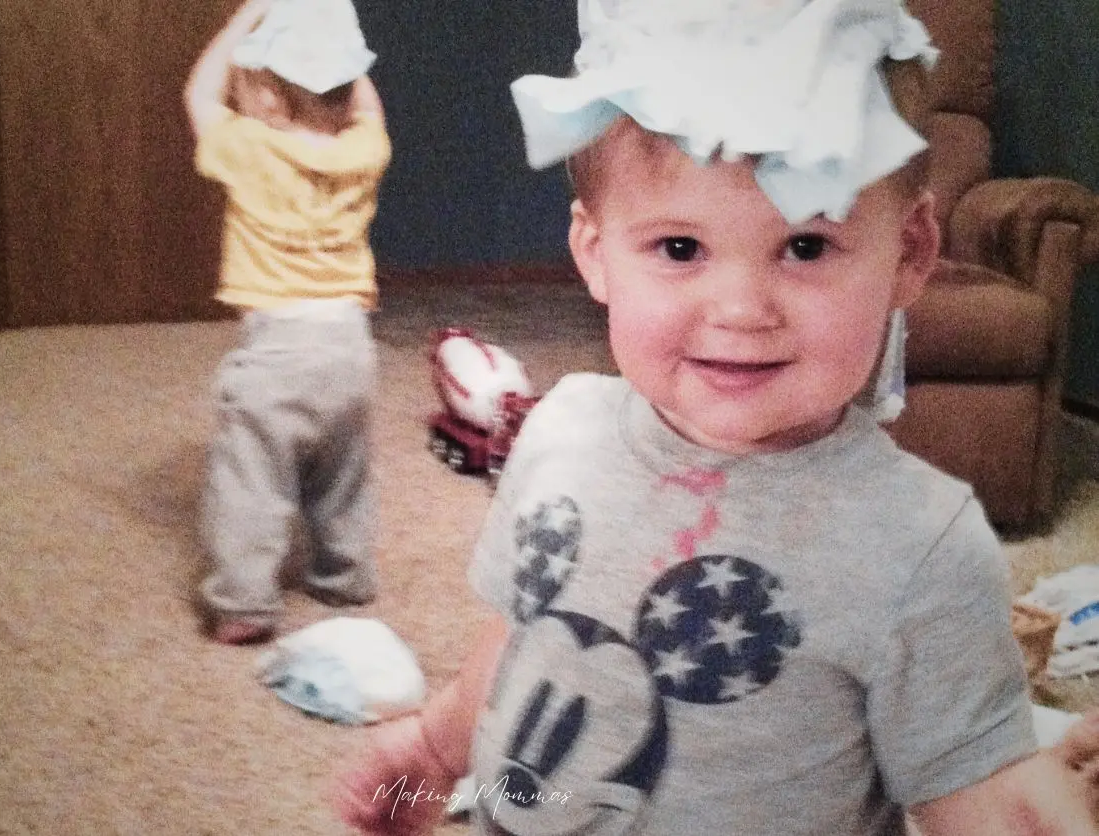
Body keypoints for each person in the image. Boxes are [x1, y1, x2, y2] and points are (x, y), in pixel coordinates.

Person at [334, 0, 1099, 833]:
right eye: (679, 248)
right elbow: (525, 645)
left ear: (909, 254)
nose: (739, 310)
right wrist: (436, 748)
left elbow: (979, 793)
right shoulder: (562, 432)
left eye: (805, 246)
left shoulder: (920, 545)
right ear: (595, 252)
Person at [184, 0, 391, 644]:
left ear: (268, 96)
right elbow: (366, 109)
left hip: (276, 350)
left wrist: (247, 16)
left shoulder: (247, 147)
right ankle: (343, 574)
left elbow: (196, 90)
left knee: (251, 479)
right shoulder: (364, 151)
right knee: (343, 470)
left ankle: (244, 601)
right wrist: (339, 47)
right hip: (350, 347)